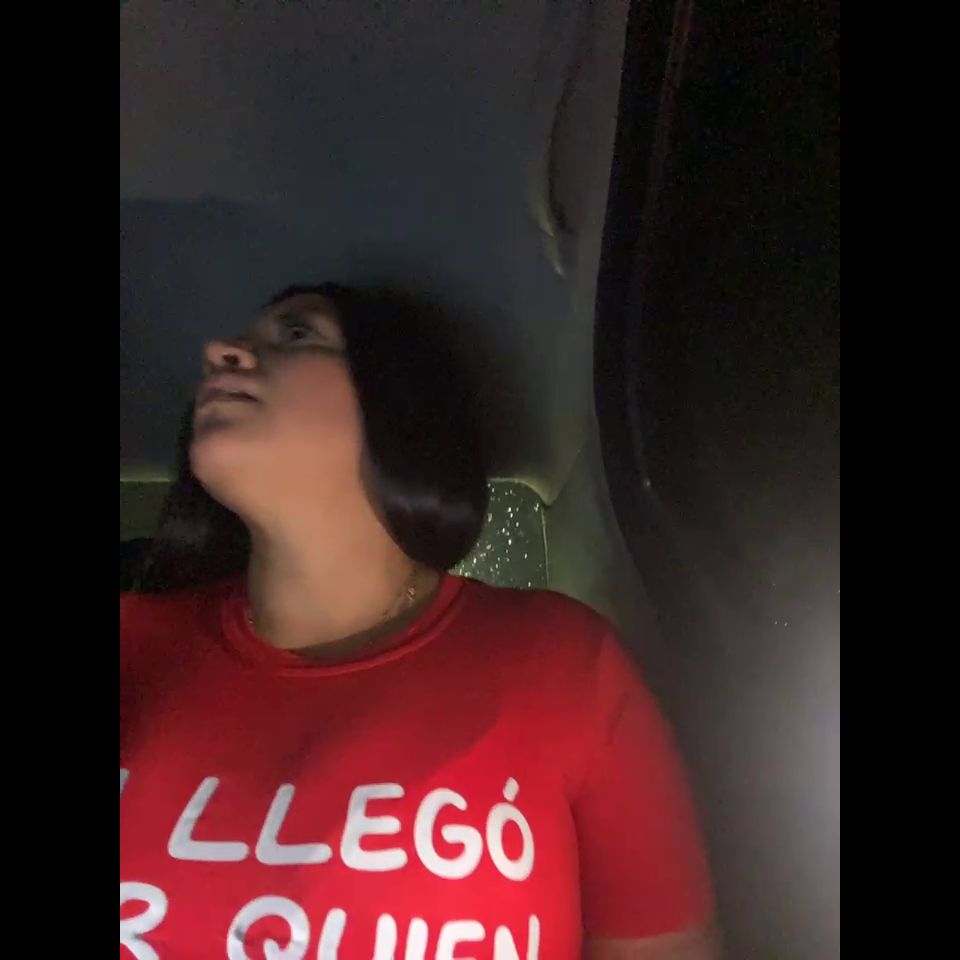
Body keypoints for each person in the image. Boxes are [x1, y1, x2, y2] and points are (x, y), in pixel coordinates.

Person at [120, 283, 717, 959]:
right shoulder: (135, 647)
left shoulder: (562, 665)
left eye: (296, 334)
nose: (220, 352)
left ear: (397, 404)